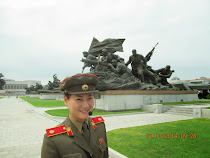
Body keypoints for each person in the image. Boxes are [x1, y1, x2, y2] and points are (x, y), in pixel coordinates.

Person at [41, 73, 109, 158]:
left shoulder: (100, 126)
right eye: (79, 99)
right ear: (66, 100)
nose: (86, 105)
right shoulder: (53, 139)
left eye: (90, 98)